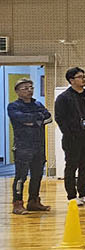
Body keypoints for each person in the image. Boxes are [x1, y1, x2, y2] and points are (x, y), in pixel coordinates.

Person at [54, 67, 85, 205]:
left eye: (84, 76)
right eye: (80, 77)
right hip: (72, 139)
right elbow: (60, 118)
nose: (84, 79)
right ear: (71, 80)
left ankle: (83, 194)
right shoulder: (63, 98)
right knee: (71, 167)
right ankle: (71, 196)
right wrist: (70, 134)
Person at [8, 79, 53, 214]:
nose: (29, 90)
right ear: (17, 91)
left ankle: (33, 201)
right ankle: (17, 203)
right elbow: (21, 119)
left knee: (37, 175)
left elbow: (49, 117)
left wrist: (32, 121)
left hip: (39, 146)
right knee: (21, 176)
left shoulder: (38, 104)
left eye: (31, 87)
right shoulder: (13, 106)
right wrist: (37, 120)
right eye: (25, 88)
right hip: (22, 146)